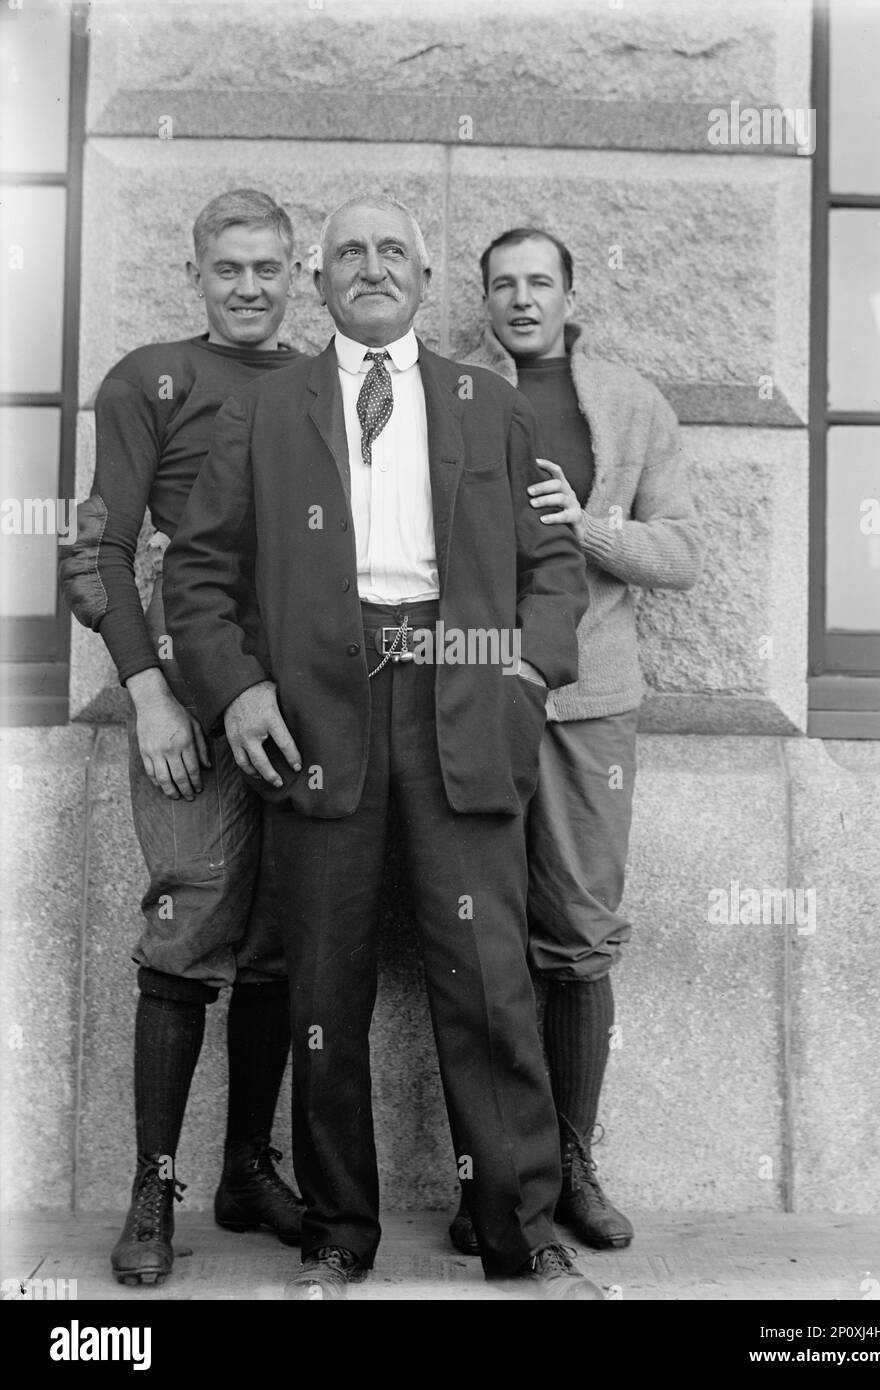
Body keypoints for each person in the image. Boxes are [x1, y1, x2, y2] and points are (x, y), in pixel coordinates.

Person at [163, 194, 604, 1301]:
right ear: (320, 280)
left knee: (493, 983)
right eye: (350, 252)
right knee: (323, 983)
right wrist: (238, 692)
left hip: (465, 701)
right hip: (317, 716)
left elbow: (554, 564)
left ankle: (523, 1236)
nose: (371, 267)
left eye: (393, 252)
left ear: (421, 277)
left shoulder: (487, 403)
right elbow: (197, 576)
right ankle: (335, 1237)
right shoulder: (265, 413)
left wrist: (522, 670)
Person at [59, 190, 310, 1287]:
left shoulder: (322, 383)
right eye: (229, 269)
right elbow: (97, 549)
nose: (249, 287)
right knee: (186, 925)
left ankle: (247, 1168)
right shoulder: (146, 377)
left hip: (298, 695)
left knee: (282, 942)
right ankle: (152, 1185)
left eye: (267, 268)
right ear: (197, 273)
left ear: (294, 273)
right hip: (186, 695)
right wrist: (148, 691)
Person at [448, 226, 703, 1257]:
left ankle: (574, 1167)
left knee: (581, 936)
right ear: (483, 300)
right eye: (502, 284)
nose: (520, 298)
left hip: (591, 704)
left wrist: (586, 524)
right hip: (471, 694)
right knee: (477, 937)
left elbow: (680, 551)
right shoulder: (449, 389)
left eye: (537, 282)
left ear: (569, 292)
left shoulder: (630, 400)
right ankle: (491, 1180)